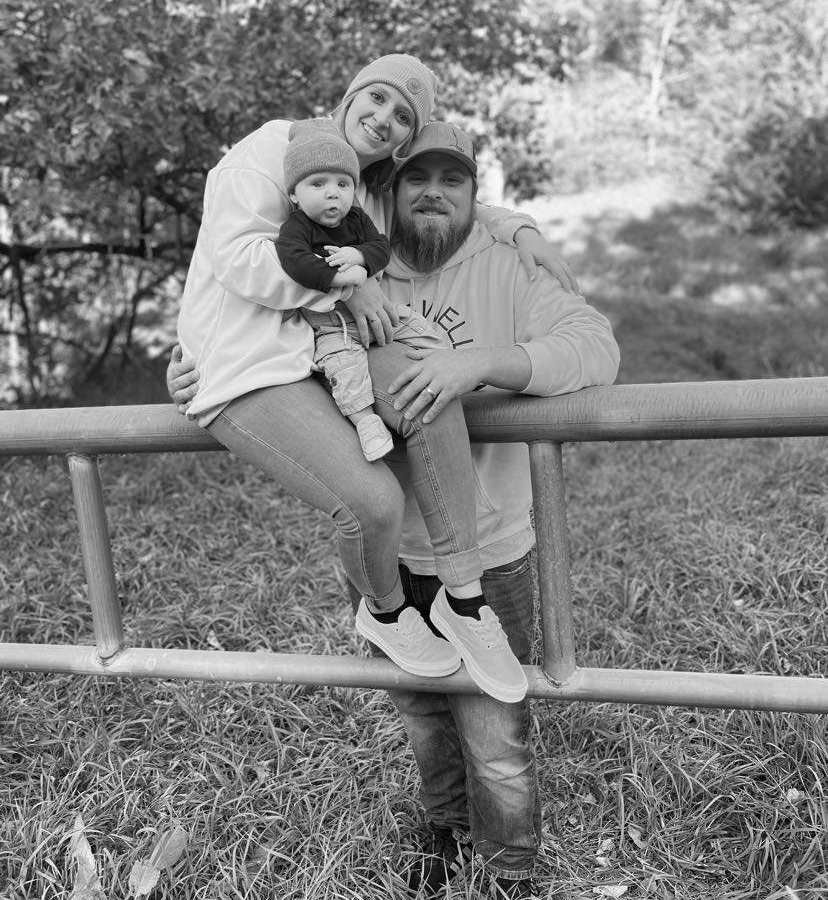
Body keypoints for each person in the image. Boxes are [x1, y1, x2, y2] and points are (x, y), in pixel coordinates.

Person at [169, 121, 620, 899]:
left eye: (454, 181)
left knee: (494, 730)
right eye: (417, 180)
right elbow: (252, 346)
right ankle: (442, 838)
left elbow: (595, 348)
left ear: (478, 195)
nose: (434, 194)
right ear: (387, 190)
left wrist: (478, 361)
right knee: (420, 713)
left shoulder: (509, 262)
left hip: (488, 543)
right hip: (390, 552)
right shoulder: (340, 266)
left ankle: (509, 867)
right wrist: (191, 370)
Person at [173, 53, 575, 704]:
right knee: (375, 505)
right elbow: (239, 256)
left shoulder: (361, 190)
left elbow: (445, 194)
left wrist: (522, 229)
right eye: (378, 99)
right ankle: (385, 610)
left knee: (428, 385)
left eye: (402, 117)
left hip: (326, 358)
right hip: (245, 370)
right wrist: (344, 285)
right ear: (350, 93)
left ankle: (464, 599)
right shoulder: (274, 145)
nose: (384, 119)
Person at [276, 117, 446, 463]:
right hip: (330, 323)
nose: (332, 193)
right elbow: (294, 262)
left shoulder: (355, 218)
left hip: (377, 313)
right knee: (344, 367)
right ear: (294, 193)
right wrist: (339, 280)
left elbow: (380, 247)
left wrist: (359, 258)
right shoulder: (297, 227)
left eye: (342, 183)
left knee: (420, 330)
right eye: (318, 183)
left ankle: (447, 363)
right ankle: (365, 422)